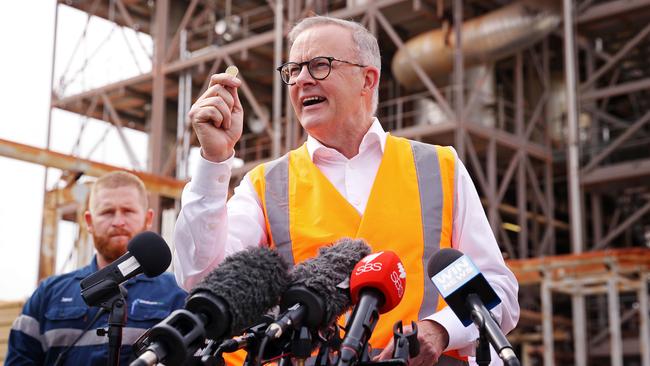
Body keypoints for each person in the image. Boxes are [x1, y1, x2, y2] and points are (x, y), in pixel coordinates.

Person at [174, 15, 519, 366]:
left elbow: (498, 291)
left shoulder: (439, 167)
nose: (301, 80)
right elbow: (201, 281)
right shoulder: (266, 184)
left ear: (367, 79)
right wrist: (214, 161)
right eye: (293, 71)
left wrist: (441, 328)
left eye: (319, 65)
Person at [6, 171, 187, 365]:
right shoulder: (48, 295)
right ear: (89, 222)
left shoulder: (177, 293)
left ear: (148, 218)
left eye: (128, 211)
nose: (118, 221)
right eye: (107, 212)